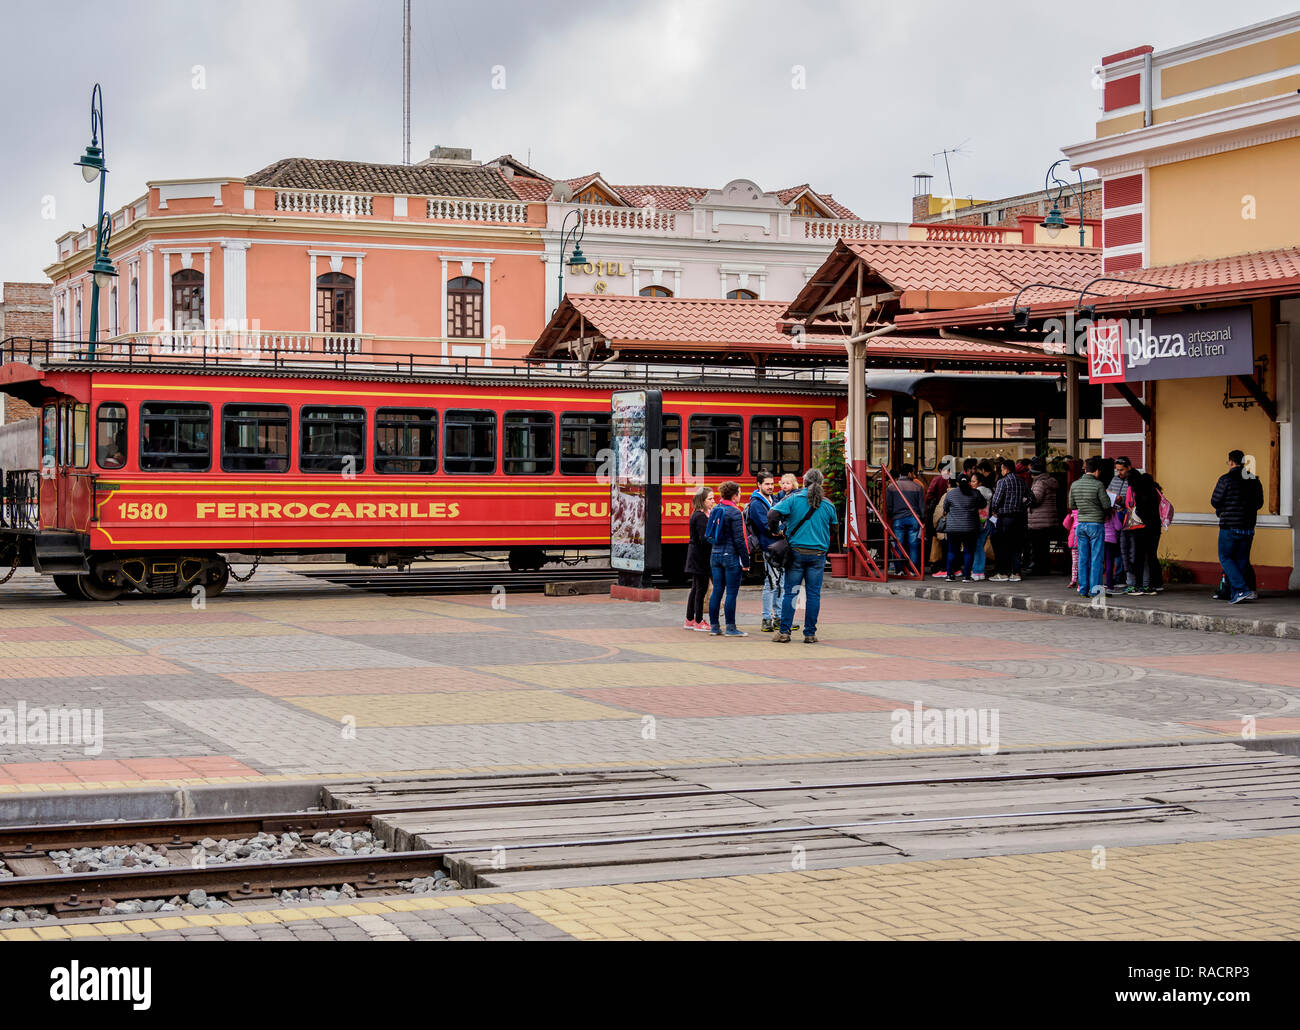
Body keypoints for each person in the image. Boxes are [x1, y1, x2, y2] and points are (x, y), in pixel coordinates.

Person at [768, 468, 839, 644]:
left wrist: (777, 530)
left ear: (804, 482)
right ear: (821, 483)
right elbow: (835, 529)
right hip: (818, 555)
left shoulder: (793, 499)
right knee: (814, 595)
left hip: (796, 553)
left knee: (791, 593)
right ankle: (810, 633)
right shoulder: (828, 504)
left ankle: (784, 632)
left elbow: (772, 514)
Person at [1211, 449, 1264, 604]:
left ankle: (1241, 589)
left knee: (1226, 557)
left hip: (1230, 526)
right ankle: (1239, 592)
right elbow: (1259, 504)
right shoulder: (1254, 480)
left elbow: (1215, 501)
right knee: (1241, 559)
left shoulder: (1225, 479)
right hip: (1248, 527)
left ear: (1231, 462)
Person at [707, 481, 751, 635]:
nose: (741, 495)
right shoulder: (734, 512)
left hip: (715, 555)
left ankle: (714, 627)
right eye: (739, 493)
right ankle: (731, 628)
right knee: (731, 593)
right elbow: (740, 540)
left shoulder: (715, 509)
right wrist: (746, 562)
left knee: (717, 591)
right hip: (731, 556)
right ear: (734, 495)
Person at [1068, 456, 1112, 598]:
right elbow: (1106, 505)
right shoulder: (1098, 485)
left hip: (1081, 525)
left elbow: (1072, 505)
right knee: (1096, 558)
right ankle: (1096, 590)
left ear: (1085, 469)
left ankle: (1083, 589)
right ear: (1097, 471)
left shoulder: (1074, 485)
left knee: (1083, 558)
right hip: (1096, 524)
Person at [746, 470, 783, 632]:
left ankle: (778, 617)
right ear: (758, 485)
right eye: (767, 484)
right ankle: (767, 618)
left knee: (779, 583)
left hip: (777, 545)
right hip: (768, 546)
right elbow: (765, 525)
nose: (770, 487)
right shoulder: (756, 503)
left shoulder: (773, 499)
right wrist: (781, 530)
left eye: (772, 484)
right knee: (771, 583)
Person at [988, 458, 1028, 582]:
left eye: (1002, 469)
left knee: (1003, 546)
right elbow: (1031, 497)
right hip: (1019, 518)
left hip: (1005, 518)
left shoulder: (1002, 482)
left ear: (1006, 469)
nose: (1001, 471)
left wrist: (994, 510)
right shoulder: (1022, 481)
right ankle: (1016, 573)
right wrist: (1022, 506)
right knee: (1016, 546)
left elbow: (996, 500)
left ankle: (1003, 573)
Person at [1124, 469, 1163, 596]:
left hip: (1142, 529)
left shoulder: (1140, 491)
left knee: (1139, 557)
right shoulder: (1155, 491)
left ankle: (1139, 585)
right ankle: (1152, 585)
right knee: (1151, 557)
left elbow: (1140, 510)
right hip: (1155, 528)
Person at [940, 474, 983, 582]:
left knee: (952, 551)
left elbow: (945, 508)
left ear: (957, 483)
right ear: (969, 482)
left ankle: (950, 575)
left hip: (953, 528)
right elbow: (982, 504)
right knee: (968, 551)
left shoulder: (950, 494)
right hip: (970, 528)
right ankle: (966, 576)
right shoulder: (975, 493)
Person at [683, 486, 714, 631]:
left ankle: (690, 619)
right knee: (700, 589)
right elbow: (704, 539)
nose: (713, 501)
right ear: (702, 500)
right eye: (710, 499)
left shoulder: (698, 514)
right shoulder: (701, 517)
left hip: (696, 555)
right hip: (700, 557)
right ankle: (699, 620)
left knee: (695, 588)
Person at [886, 463, 925, 575]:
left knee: (899, 545)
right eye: (913, 472)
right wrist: (922, 519)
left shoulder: (892, 487)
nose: (914, 475)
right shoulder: (918, 487)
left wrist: (890, 516)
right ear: (909, 473)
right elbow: (922, 506)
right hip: (914, 519)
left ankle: (899, 570)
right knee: (914, 546)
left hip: (898, 519)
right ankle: (913, 570)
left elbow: (888, 507)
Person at [1026, 456, 1058, 577]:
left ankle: (1039, 569)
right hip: (1047, 519)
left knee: (1038, 546)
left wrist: (1025, 499)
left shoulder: (1040, 483)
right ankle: (1044, 568)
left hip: (1039, 520)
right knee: (1043, 547)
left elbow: (1035, 500)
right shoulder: (1049, 481)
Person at [1111, 457, 1135, 587]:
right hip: (1116, 515)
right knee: (1117, 548)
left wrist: (1121, 499)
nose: (1119, 472)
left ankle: (1125, 575)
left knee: (1126, 547)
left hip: (1127, 516)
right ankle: (1118, 575)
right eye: (1117, 470)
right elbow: (1109, 491)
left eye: (1121, 470)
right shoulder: (1115, 479)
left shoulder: (1133, 480)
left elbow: (1132, 499)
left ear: (1129, 468)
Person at [968, 468, 994, 581]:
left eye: (974, 481)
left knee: (977, 546)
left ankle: (978, 571)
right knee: (980, 545)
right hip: (986, 522)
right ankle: (978, 569)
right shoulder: (989, 492)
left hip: (977, 522)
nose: (971, 483)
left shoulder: (976, 492)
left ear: (980, 482)